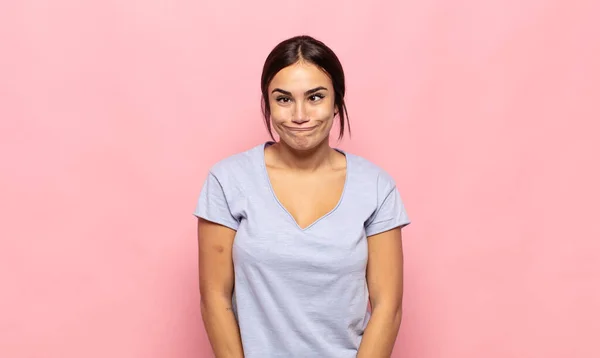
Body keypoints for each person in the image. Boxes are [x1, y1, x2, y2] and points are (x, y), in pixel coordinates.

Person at [194, 35, 411, 358]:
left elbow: (387, 307)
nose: (299, 115)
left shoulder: (376, 187)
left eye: (315, 97)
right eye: (283, 99)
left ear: (337, 102)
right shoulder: (228, 181)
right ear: (267, 103)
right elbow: (215, 297)